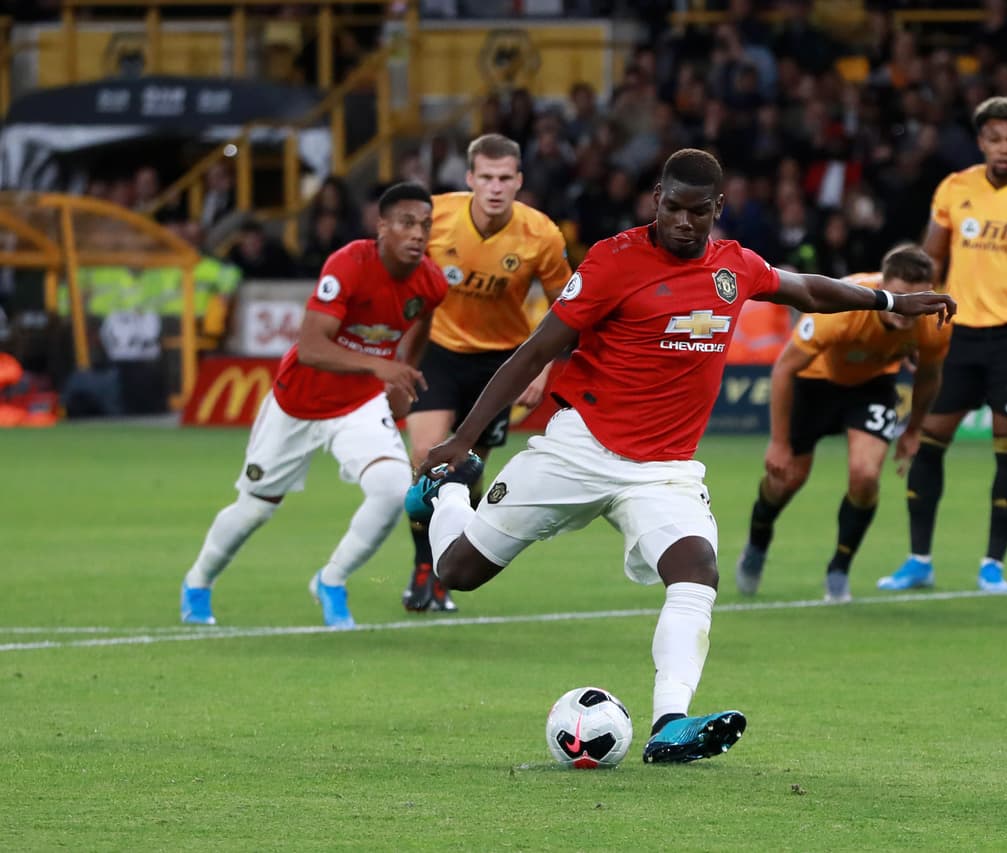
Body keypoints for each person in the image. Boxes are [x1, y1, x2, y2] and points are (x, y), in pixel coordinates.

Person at [405, 149, 955, 764]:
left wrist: (886, 302)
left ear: (718, 209)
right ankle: (448, 493)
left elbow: (803, 290)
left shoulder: (734, 266)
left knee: (697, 572)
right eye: (673, 208)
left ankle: (671, 721)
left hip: (664, 469)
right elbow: (534, 352)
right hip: (581, 446)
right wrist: (462, 442)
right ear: (655, 201)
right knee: (459, 572)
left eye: (698, 211)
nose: (684, 223)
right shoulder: (613, 261)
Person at [180, 183, 448, 629]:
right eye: (406, 223)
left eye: (425, 225)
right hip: (297, 402)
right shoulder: (348, 264)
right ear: (381, 227)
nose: (417, 234)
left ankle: (331, 579)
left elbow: (422, 319)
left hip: (359, 404)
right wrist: (380, 366)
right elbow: (309, 347)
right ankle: (198, 581)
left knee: (391, 489)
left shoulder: (431, 281)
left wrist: (405, 370)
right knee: (255, 509)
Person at [880, 97, 1007, 595]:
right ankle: (918, 560)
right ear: (981, 142)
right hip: (957, 335)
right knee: (928, 444)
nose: (1004, 147)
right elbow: (928, 262)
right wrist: (912, 328)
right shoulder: (954, 188)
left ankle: (993, 564)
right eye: (995, 138)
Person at [401, 133, 573, 613]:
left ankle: (448, 555)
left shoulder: (542, 235)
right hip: (439, 350)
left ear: (518, 181)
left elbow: (570, 306)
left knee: (468, 471)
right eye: (486, 178)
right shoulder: (433, 218)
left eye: (505, 179)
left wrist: (544, 366)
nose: (495, 187)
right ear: (469, 178)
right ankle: (425, 568)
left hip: (502, 362)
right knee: (427, 459)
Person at [735, 245, 951, 603]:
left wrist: (914, 430)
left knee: (866, 477)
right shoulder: (841, 307)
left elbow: (930, 375)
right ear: (882, 285)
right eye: (900, 297)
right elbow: (784, 369)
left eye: (917, 298)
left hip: (871, 388)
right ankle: (757, 543)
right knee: (786, 480)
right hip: (813, 384)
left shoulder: (933, 319)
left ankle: (839, 569)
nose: (908, 310)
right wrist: (778, 442)